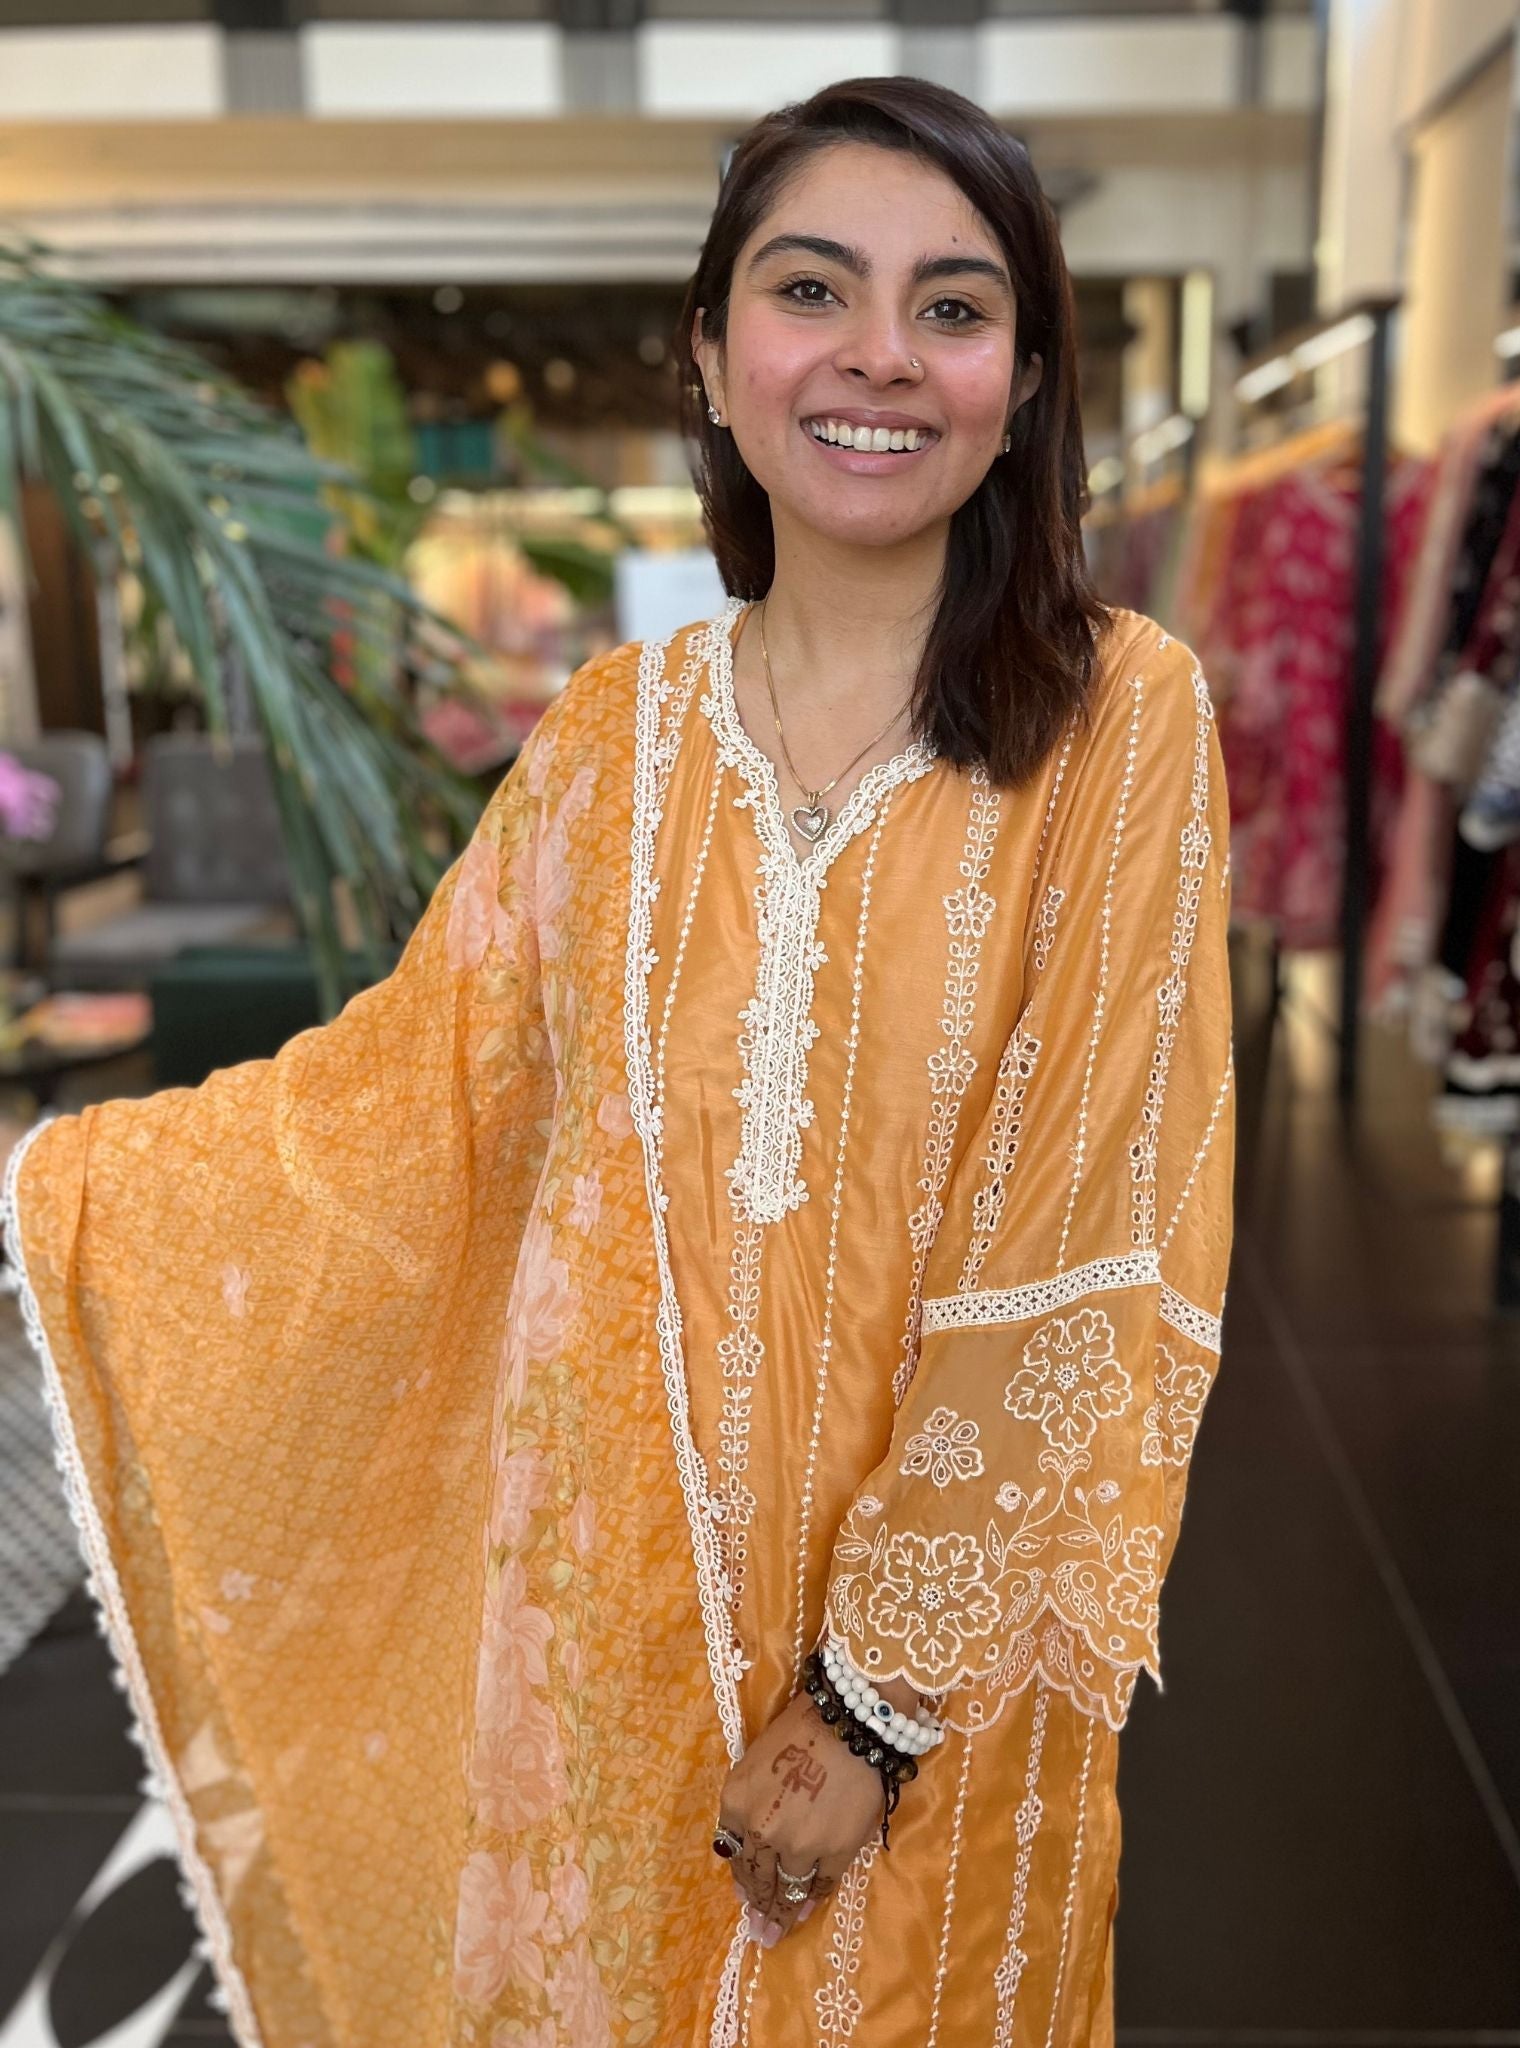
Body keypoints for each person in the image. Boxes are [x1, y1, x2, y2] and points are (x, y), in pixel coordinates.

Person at [5, 73, 1235, 2048]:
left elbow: (1084, 1240)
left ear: (1021, 386)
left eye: (951, 307)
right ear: (714, 358)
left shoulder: (1117, 721)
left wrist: (871, 1705)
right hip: (615, 1646)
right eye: (811, 289)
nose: (878, 355)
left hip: (943, 1691)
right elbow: (406, 1107)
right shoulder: (609, 738)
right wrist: (54, 1191)